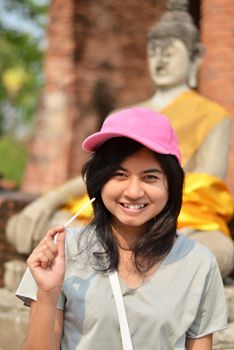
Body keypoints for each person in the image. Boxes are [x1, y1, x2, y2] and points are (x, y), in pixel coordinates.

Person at [6, 0, 234, 278]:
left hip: (180, 216)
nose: (160, 60)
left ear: (196, 57)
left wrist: (155, 206)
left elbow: (206, 183)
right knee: (49, 226)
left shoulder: (212, 115)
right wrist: (46, 201)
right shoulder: (122, 116)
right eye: (154, 52)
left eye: (170, 52)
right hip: (113, 214)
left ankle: (117, 263)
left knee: (214, 251)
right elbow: (100, 175)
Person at [16, 107, 227, 349]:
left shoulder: (198, 263)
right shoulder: (64, 251)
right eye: (119, 174)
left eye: (150, 177)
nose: (134, 192)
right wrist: (47, 292)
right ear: (100, 180)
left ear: (172, 185)